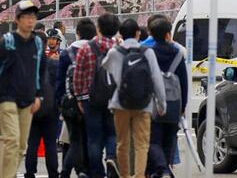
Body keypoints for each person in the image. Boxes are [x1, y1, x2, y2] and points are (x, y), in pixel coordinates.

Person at [0, 0, 46, 178]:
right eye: (26, 17)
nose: (30, 21)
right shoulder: (8, 42)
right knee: (12, 141)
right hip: (7, 97)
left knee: (21, 146)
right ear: (17, 20)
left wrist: (39, 95)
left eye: (33, 17)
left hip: (28, 99)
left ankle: (4, 175)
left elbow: (40, 70)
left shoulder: (37, 44)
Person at [103, 18, 166, 178]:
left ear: (121, 34)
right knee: (141, 144)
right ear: (138, 33)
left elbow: (105, 68)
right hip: (143, 104)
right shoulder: (147, 52)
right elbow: (157, 79)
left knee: (122, 143)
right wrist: (162, 104)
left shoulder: (114, 52)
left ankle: (124, 175)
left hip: (120, 103)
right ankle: (139, 176)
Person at [74, 12, 120, 178]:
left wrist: (80, 97)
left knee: (93, 139)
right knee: (112, 133)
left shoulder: (86, 48)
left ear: (98, 28)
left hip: (90, 99)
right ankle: (111, 159)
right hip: (114, 98)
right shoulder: (119, 47)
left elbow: (78, 75)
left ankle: (97, 173)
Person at [147, 18, 188, 178]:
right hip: (174, 103)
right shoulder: (178, 53)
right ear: (168, 34)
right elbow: (183, 81)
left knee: (153, 140)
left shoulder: (150, 53)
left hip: (154, 103)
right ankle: (164, 170)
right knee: (169, 139)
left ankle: (161, 170)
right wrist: (183, 105)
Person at [57, 17, 96, 178]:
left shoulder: (67, 54)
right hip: (91, 101)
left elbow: (60, 80)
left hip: (71, 102)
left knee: (75, 139)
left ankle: (69, 171)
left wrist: (58, 102)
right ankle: (86, 170)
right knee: (90, 139)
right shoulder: (96, 51)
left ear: (78, 34)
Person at [25, 30, 60, 178]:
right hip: (51, 109)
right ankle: (53, 173)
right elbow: (58, 85)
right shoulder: (53, 63)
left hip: (33, 107)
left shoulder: (28, 63)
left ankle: (30, 172)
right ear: (45, 43)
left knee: (32, 143)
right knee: (50, 143)